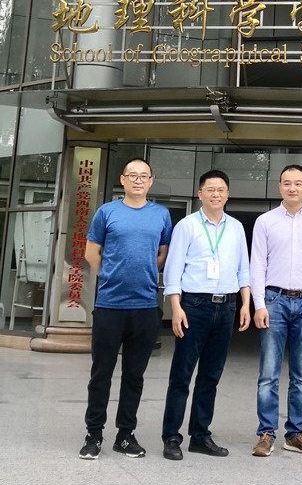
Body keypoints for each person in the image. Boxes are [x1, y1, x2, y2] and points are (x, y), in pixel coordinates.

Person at [79, 158, 172, 460]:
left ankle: (125, 435)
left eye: (143, 176)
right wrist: (110, 275)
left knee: (134, 376)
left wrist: (145, 272)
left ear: (151, 181)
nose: (138, 180)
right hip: (109, 306)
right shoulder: (107, 212)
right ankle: (94, 434)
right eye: (132, 175)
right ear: (122, 179)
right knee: (101, 374)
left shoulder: (161, 214)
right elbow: (91, 253)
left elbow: (163, 253)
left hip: (145, 307)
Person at [161, 169, 250, 461]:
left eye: (221, 189)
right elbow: (173, 270)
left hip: (226, 307)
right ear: (200, 194)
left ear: (228, 194)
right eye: (210, 189)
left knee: (211, 376)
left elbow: (244, 269)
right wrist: (176, 309)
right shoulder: (186, 226)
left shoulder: (236, 227)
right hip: (194, 306)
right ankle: (171, 437)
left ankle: (200, 436)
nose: (216, 194)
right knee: (182, 375)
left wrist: (245, 304)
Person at [250, 164, 302, 457]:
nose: (292, 188)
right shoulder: (265, 221)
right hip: (274, 300)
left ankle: (295, 434)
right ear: (279, 186)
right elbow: (257, 264)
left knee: (301, 375)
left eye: (298, 183)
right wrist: (259, 304)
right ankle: (266, 434)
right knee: (268, 374)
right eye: (287, 183)